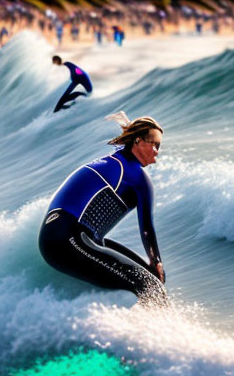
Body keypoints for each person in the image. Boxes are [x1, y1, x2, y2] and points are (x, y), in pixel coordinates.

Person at [38, 113, 167, 303]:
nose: (157, 150)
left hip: (54, 238)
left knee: (143, 278)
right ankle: (160, 330)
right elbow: (146, 228)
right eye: (153, 143)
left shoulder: (113, 160)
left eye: (159, 145)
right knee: (153, 286)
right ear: (138, 141)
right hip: (70, 239)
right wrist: (156, 262)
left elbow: (123, 146)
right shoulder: (138, 177)